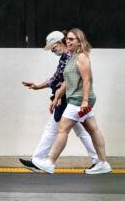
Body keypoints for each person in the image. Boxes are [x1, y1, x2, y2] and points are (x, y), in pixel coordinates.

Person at [32, 28, 112, 175]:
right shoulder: (71, 57)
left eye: (72, 39)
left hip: (79, 99)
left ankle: (50, 162)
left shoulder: (82, 57)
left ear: (79, 41)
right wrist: (56, 97)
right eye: (67, 39)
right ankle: (102, 163)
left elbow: (87, 80)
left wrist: (85, 101)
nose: (68, 41)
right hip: (75, 98)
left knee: (62, 129)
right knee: (93, 130)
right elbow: (67, 82)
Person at [20, 30, 99, 172]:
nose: (52, 51)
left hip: (69, 98)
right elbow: (57, 78)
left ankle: (39, 160)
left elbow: (63, 80)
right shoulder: (66, 57)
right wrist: (39, 87)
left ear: (58, 43)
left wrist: (57, 98)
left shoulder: (70, 56)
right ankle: (98, 159)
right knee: (82, 130)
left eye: (53, 48)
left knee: (54, 128)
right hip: (69, 98)